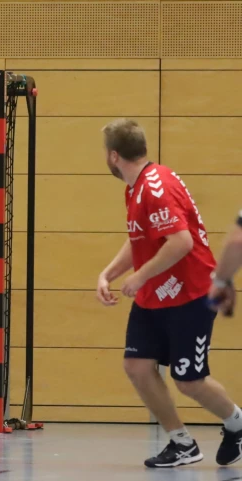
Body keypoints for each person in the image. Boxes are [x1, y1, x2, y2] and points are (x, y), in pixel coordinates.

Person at [96, 119, 242, 468]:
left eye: (104, 152)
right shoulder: (135, 188)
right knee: (137, 365)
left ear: (114, 156)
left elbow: (181, 242)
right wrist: (109, 273)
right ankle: (182, 443)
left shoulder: (156, 186)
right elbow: (140, 239)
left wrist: (139, 276)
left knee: (189, 381)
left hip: (190, 293)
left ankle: (236, 422)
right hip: (156, 295)